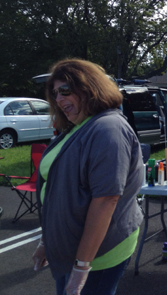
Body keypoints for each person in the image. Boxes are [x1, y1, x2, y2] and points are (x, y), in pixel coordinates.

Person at [32, 59, 144, 295]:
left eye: (65, 90)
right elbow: (56, 190)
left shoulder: (108, 129)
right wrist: (47, 242)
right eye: (55, 94)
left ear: (90, 88)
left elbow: (106, 200)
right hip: (72, 250)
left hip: (98, 254)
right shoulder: (77, 126)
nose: (59, 99)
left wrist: (81, 268)